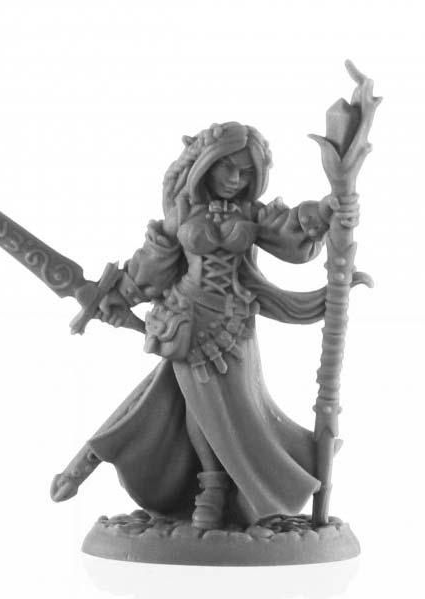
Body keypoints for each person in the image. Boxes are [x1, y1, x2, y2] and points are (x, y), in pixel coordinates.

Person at [51, 121, 350, 530]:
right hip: (185, 321)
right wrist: (119, 295)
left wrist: (326, 211)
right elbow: (152, 265)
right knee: (197, 405)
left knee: (241, 410)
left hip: (233, 324)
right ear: (206, 164)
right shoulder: (182, 212)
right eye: (227, 166)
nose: (235, 178)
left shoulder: (251, 213)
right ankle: (211, 488)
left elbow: (289, 234)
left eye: (245, 171)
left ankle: (240, 489)